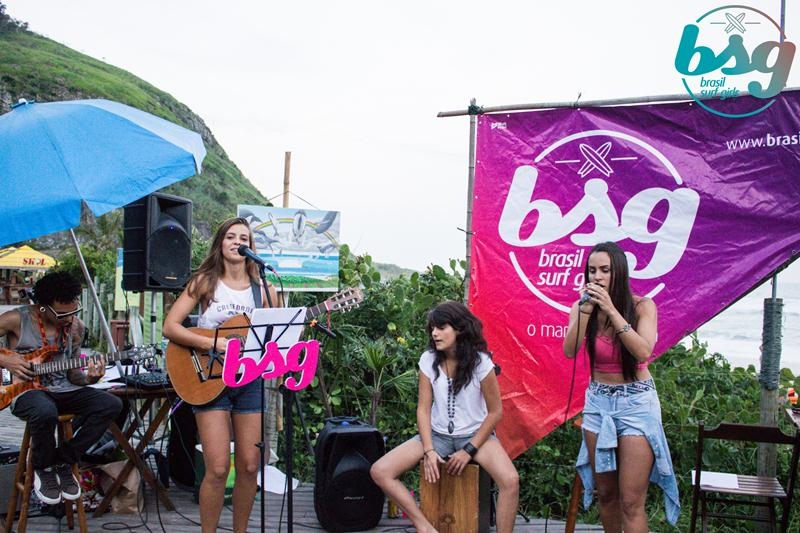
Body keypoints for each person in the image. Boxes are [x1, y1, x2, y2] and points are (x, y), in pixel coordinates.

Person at [163, 217, 278, 533]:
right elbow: (170, 326)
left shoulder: (264, 290)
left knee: (250, 465)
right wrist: (214, 342)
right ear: (220, 243)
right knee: (216, 468)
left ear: (251, 247)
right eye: (231, 236)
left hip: (250, 380)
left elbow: (275, 336)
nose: (238, 241)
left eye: (244, 237)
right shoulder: (204, 281)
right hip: (209, 378)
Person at [371, 300, 520, 533]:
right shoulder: (428, 360)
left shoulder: (481, 363)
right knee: (380, 471)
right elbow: (423, 409)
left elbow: (495, 412)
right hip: (438, 435)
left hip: (474, 436)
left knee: (510, 481)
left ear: (459, 329)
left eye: (441, 327)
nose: (435, 333)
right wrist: (429, 450)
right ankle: (425, 527)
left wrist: (468, 450)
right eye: (433, 328)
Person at [562, 241, 680, 532]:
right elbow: (569, 350)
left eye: (605, 270)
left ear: (620, 274)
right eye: (592, 271)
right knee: (608, 496)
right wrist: (586, 312)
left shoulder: (642, 307)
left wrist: (612, 311)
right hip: (599, 403)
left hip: (636, 403)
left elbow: (642, 352)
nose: (597, 277)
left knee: (630, 501)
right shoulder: (582, 308)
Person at [0, 270, 122, 505]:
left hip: (63, 390)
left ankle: (64, 460)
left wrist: (91, 379)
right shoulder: (18, 319)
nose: (69, 318)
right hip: (24, 390)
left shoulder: (76, 328)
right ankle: (43, 468)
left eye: (74, 311)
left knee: (111, 404)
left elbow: (73, 375)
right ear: (43, 307)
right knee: (45, 412)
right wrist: (5, 359)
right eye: (62, 313)